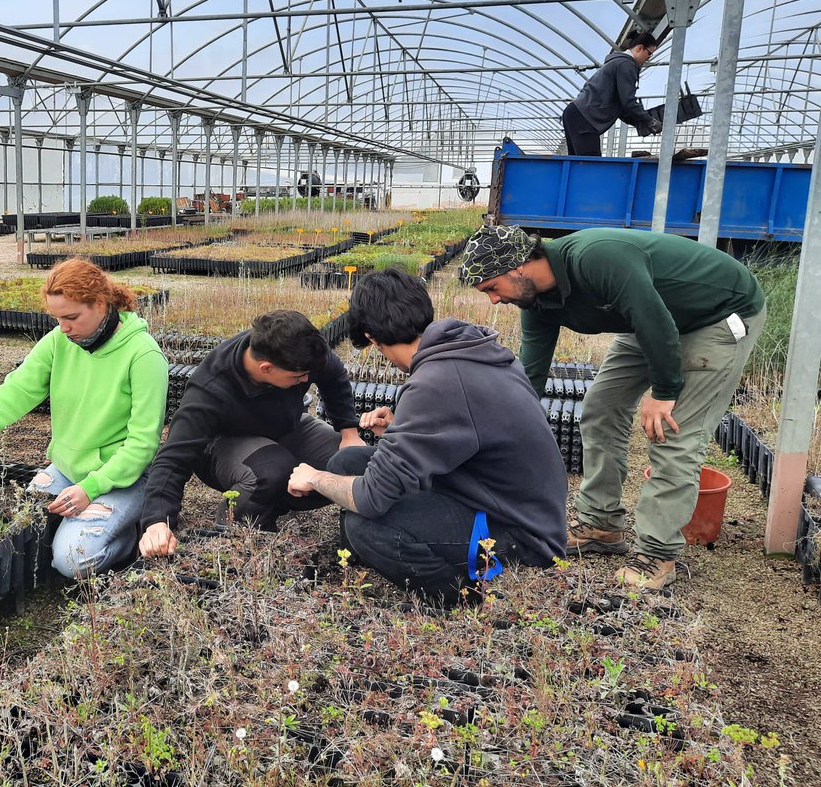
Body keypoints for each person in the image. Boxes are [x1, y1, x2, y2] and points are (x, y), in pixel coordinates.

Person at [461, 224, 766, 590]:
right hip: (649, 321)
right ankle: (601, 524)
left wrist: (664, 390)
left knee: (671, 432)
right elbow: (532, 372)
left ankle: (657, 554)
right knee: (599, 410)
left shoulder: (596, 257)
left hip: (716, 316)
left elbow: (653, 317)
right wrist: (502, 426)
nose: (494, 300)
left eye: (492, 288)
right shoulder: (536, 301)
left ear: (518, 266)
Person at [284, 269, 567, 605]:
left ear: (372, 338)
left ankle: (462, 597)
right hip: (496, 497)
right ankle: (363, 557)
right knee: (347, 461)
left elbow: (371, 498)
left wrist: (314, 478)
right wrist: (400, 429)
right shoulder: (466, 350)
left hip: (520, 534)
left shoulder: (438, 382)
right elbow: (467, 431)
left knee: (367, 526)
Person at [0, 259, 169, 579]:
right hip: (68, 469)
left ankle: (128, 537)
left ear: (99, 304)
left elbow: (142, 445)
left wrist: (91, 488)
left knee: (72, 560)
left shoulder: (143, 356)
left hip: (123, 478)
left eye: (71, 317)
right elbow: (14, 392)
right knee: (22, 521)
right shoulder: (59, 342)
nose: (63, 327)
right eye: (57, 318)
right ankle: (93, 523)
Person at [137, 310, 364, 558]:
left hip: (285, 426)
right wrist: (157, 520)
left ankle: (280, 503)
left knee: (352, 460)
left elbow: (334, 375)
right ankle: (236, 532)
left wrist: (349, 433)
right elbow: (174, 457)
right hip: (223, 444)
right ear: (266, 368)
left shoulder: (298, 351)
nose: (306, 380)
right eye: (299, 378)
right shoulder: (212, 387)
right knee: (272, 471)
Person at [561, 30, 662, 156]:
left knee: (578, 165)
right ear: (639, 48)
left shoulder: (618, 62)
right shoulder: (626, 65)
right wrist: (650, 121)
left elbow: (621, 107)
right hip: (583, 118)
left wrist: (638, 122)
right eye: (649, 54)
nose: (648, 58)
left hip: (577, 114)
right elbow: (628, 101)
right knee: (590, 165)